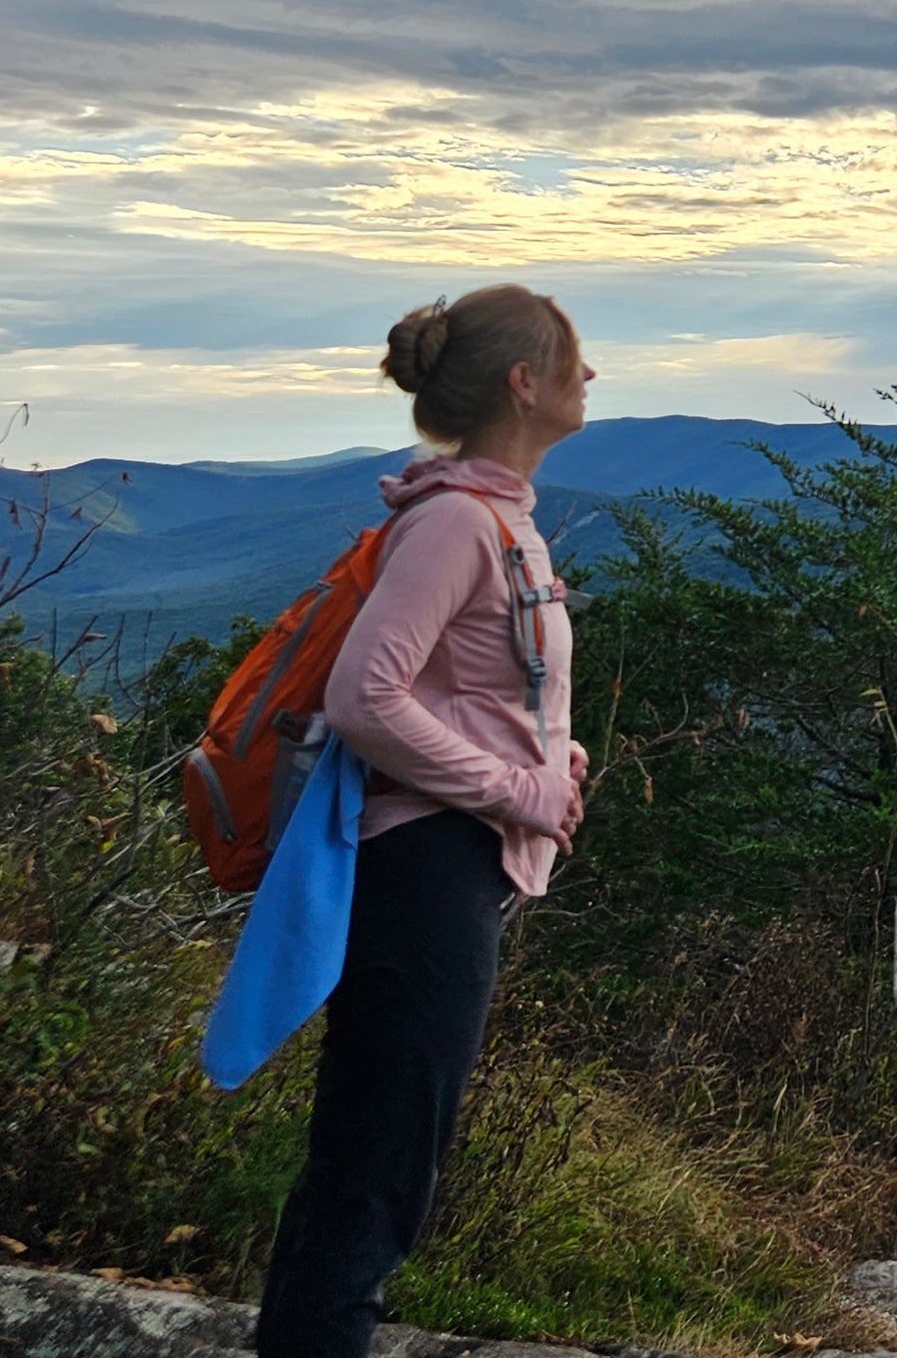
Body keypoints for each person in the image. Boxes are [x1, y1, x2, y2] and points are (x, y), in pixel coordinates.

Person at [253, 284, 593, 1358]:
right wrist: (517, 791)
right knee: (379, 1172)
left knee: (370, 1158)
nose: (590, 375)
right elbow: (366, 698)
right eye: (573, 359)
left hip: (441, 864)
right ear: (523, 383)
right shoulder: (455, 523)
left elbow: (465, 687)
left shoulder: (492, 517)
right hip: (423, 870)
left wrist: (547, 754)